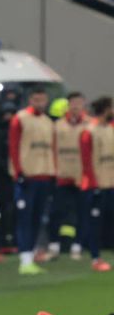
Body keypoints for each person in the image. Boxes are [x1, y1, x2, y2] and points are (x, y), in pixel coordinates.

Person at [8, 87, 55, 274]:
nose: (40, 103)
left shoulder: (48, 121)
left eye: (42, 99)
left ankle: (31, 255)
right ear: (30, 99)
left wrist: (53, 170)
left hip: (44, 174)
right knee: (25, 218)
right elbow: (13, 146)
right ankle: (25, 258)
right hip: (27, 176)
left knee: (37, 218)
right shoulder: (20, 118)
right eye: (36, 99)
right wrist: (18, 171)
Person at [51, 92, 88, 261]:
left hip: (82, 176)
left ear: (83, 105)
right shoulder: (57, 125)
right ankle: (54, 246)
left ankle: (77, 246)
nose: (76, 106)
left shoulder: (89, 125)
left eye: (79, 103)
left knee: (82, 212)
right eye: (73, 102)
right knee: (57, 211)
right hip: (62, 175)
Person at [78, 96, 113, 271]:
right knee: (95, 223)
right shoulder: (89, 131)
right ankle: (95, 258)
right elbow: (86, 162)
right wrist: (94, 184)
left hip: (111, 183)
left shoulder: (110, 128)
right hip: (95, 185)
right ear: (106, 109)